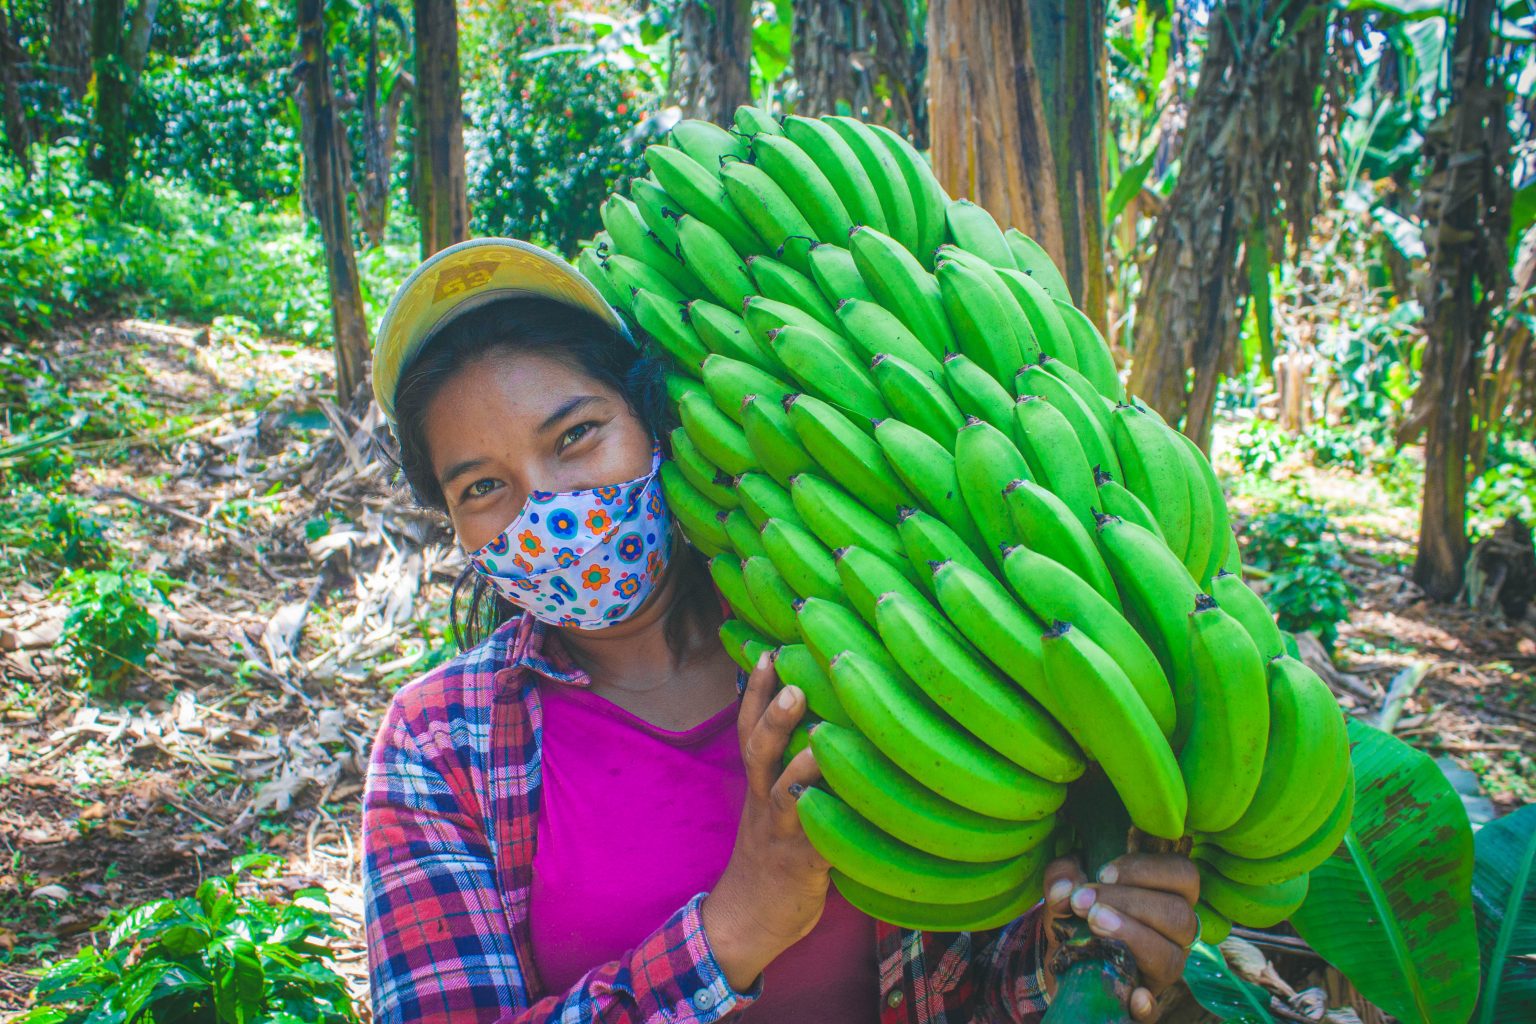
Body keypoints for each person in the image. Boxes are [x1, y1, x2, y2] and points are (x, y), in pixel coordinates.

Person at [361, 238, 1201, 1024]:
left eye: (576, 435)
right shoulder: (440, 743)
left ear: (652, 420)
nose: (546, 506)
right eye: (482, 488)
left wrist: (1070, 954)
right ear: (454, 526)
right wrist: (734, 931)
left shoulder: (861, 644)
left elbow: (969, 979)